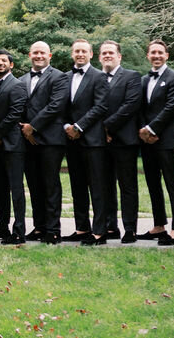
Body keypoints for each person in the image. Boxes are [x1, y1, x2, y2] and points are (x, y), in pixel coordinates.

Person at [137, 39, 174, 245]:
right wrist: (142, 130)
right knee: (153, 183)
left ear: (167, 55)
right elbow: (139, 108)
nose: (156, 56)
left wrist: (151, 129)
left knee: (171, 183)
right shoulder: (143, 80)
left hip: (165, 139)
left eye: (160, 52)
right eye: (153, 53)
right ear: (148, 56)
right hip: (147, 141)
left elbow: (172, 107)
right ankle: (159, 226)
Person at [19, 41, 68, 245]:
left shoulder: (59, 77)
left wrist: (34, 127)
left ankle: (53, 229)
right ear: (30, 55)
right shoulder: (21, 80)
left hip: (51, 139)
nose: (38, 56)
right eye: (35, 53)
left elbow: (56, 105)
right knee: (34, 184)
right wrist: (24, 129)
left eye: (42, 53)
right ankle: (39, 226)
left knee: (50, 184)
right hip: (27, 140)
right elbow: (18, 105)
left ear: (50, 55)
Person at [95, 41, 143, 243]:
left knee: (128, 186)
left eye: (111, 53)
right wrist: (99, 131)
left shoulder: (131, 77)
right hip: (100, 142)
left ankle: (130, 228)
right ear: (99, 57)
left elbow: (130, 105)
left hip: (124, 140)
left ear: (119, 56)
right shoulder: (95, 78)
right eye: (104, 53)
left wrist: (107, 127)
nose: (107, 56)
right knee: (104, 186)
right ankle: (110, 226)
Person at [64, 39, 110, 245]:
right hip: (70, 140)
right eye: (77, 51)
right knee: (78, 186)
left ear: (91, 54)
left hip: (92, 140)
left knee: (98, 187)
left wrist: (79, 127)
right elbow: (60, 106)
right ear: (72, 54)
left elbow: (100, 107)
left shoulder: (99, 76)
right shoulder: (64, 77)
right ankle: (82, 227)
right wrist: (67, 126)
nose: (80, 54)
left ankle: (100, 231)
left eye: (84, 51)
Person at [0, 49, 29, 245]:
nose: (0, 63)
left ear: (11, 65)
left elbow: (15, 114)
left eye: (4, 60)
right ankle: (2, 226)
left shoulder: (17, 86)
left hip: (12, 144)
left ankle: (19, 230)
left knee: (16, 188)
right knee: (0, 187)